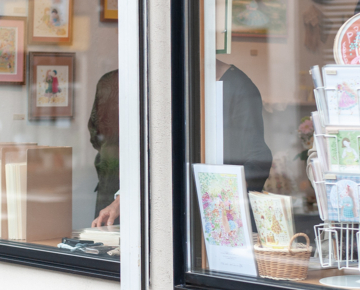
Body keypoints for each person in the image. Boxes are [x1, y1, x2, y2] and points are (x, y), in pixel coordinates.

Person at [93, 60, 272, 226]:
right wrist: (121, 200)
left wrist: (221, 200)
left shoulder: (238, 88)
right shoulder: (160, 85)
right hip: (164, 218)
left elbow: (258, 159)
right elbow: (156, 155)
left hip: (210, 219)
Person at [88, 70, 120, 219]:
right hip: (122, 175)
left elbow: (94, 131)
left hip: (107, 172)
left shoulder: (106, 80)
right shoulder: (140, 76)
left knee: (104, 226)